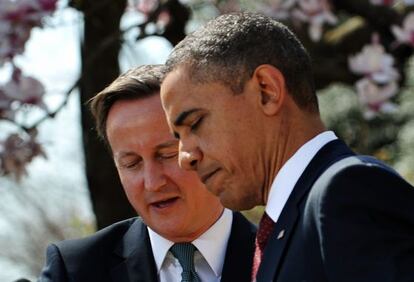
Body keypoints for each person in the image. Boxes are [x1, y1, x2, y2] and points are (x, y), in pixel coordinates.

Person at [160, 12, 414, 282]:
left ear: (266, 91)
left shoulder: (347, 192)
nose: (184, 158)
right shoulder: (282, 228)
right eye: (177, 137)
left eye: (195, 123)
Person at [38, 64, 256, 282]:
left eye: (167, 155)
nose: (153, 183)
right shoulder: (75, 271)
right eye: (132, 163)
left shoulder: (280, 256)